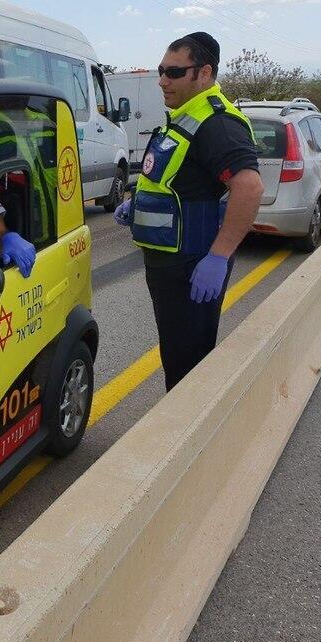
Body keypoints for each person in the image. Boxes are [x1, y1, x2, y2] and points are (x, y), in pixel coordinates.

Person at [115, 32, 263, 391]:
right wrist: (137, 204)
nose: (164, 80)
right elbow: (176, 180)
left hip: (193, 268)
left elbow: (249, 187)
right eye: (161, 71)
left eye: (175, 72)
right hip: (170, 264)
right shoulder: (185, 117)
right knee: (177, 357)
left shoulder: (217, 123)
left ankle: (186, 439)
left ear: (204, 73)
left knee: (188, 368)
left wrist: (219, 256)